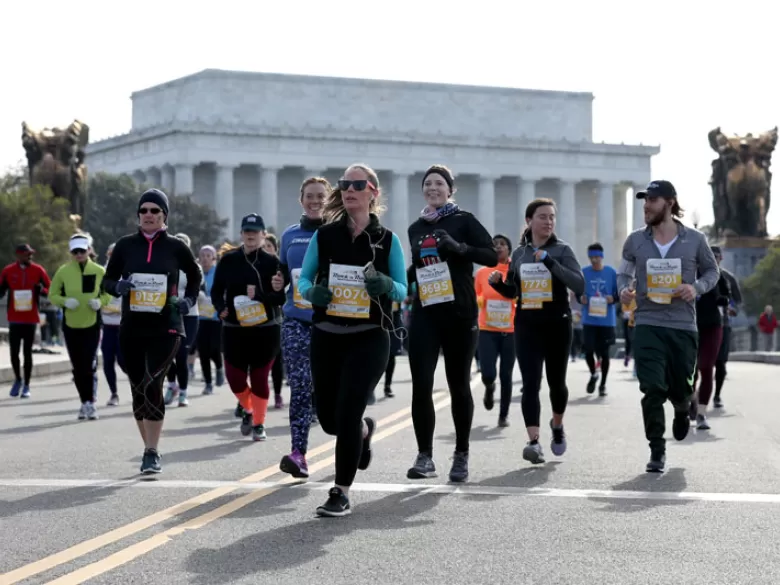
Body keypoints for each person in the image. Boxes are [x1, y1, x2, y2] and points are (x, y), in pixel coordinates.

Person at [297, 163, 407, 517]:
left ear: (373, 192)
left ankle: (340, 491)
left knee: (345, 414)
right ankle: (362, 430)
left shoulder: (387, 240)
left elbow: (404, 288)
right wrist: (312, 292)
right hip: (327, 333)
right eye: (345, 184)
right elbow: (301, 280)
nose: (349, 189)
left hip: (369, 336)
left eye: (358, 184)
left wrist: (388, 286)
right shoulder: (324, 236)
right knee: (329, 419)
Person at [617, 180, 719, 473]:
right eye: (644, 200)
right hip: (648, 322)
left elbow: (712, 271)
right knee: (651, 387)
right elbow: (624, 275)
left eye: (652, 199)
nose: (646, 205)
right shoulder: (635, 240)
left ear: (670, 203)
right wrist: (624, 291)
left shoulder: (695, 240)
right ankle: (657, 450)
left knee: (681, 387)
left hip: (683, 326)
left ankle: (681, 406)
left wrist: (696, 287)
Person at [406, 164, 497, 483]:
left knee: (458, 384)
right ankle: (425, 455)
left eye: (439, 184)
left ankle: (461, 454)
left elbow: (490, 255)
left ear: (450, 190)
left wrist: (460, 248)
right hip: (426, 312)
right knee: (421, 384)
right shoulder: (416, 227)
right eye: (427, 184)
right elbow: (418, 265)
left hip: (459, 313)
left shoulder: (464, 220)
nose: (432, 188)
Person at [104, 188, 202, 474]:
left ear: (164, 216)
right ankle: (147, 444)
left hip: (167, 326)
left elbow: (195, 275)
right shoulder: (125, 246)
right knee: (137, 389)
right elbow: (108, 279)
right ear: (138, 215)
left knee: (152, 384)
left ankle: (152, 451)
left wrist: (188, 300)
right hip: (132, 327)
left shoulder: (175, 247)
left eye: (154, 211)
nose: (148, 215)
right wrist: (117, 287)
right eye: (144, 210)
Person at [490, 198, 584, 464]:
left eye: (552, 217)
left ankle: (557, 425)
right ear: (529, 221)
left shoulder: (563, 250)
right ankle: (533, 441)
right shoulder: (519, 254)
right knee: (530, 383)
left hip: (557, 323)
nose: (549, 221)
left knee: (557, 384)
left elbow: (579, 285)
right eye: (543, 217)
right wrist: (498, 284)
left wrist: (551, 262)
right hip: (527, 324)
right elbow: (513, 291)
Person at [211, 213, 285, 442]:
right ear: (241, 234)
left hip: (266, 329)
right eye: (247, 232)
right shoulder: (228, 260)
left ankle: (259, 424)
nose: (251, 236)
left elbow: (280, 298)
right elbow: (216, 290)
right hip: (235, 327)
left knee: (261, 378)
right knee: (235, 379)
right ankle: (249, 408)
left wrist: (262, 296)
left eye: (255, 232)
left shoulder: (273, 263)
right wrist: (221, 307)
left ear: (264, 235)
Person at [275, 176, 329, 479]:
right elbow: (283, 272)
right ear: (301, 200)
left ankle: (358, 430)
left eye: (321, 196)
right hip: (296, 319)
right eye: (309, 196)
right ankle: (299, 452)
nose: (315, 201)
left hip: (331, 321)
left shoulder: (338, 233)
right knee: (299, 386)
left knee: (331, 392)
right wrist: (277, 282)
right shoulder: (289, 236)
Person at [49, 233, 112, 419]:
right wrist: (64, 301)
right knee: (77, 367)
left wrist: (100, 302)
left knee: (89, 364)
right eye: (75, 251)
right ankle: (84, 401)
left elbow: (108, 293)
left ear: (88, 250)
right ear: (71, 252)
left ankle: (90, 402)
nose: (79, 254)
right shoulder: (63, 271)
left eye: (82, 251)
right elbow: (53, 294)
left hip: (91, 324)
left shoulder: (99, 271)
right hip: (71, 325)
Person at [474, 234, 516, 426]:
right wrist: (479, 300)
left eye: (503, 244)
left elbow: (521, 293)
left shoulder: (515, 271)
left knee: (506, 375)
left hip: (510, 329)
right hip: (487, 328)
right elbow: (476, 294)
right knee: (488, 372)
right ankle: (489, 387)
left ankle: (503, 415)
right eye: (495, 245)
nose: (499, 247)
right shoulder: (483, 272)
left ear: (509, 249)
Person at [0, 243, 51, 398]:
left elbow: (51, 289)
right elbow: (1, 289)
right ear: (18, 255)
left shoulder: (38, 270)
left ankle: (27, 385)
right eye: (26, 254)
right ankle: (17, 380)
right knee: (14, 352)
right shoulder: (8, 271)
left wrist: (41, 290)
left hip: (31, 318)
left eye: (31, 254)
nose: (30, 256)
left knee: (27, 352)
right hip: (14, 318)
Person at [690, 264, 731, 430]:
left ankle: (701, 413)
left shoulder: (715, 273)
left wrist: (722, 299)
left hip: (712, 326)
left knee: (706, 367)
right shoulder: (683, 270)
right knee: (689, 372)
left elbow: (727, 295)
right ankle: (691, 399)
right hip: (688, 326)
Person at [164, 233, 200, 407]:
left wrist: (187, 300)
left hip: (190, 316)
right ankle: (172, 385)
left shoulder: (194, 268)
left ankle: (183, 392)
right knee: (167, 354)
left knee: (182, 354)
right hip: (168, 315)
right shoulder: (164, 265)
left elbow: (196, 289)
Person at [580, 242, 618, 397]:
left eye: (596, 257)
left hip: (606, 320)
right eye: (591, 257)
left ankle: (603, 383)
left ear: (601, 257)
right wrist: (580, 297)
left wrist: (613, 298)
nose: (594, 260)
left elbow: (619, 294)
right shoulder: (584, 272)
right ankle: (593, 374)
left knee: (605, 353)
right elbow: (577, 291)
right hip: (589, 319)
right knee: (588, 350)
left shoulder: (611, 273)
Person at [711, 246, 741, 408]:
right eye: (710, 256)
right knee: (696, 364)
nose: (713, 259)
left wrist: (733, 309)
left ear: (720, 258)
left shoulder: (728, 278)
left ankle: (717, 395)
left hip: (723, 324)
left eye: (716, 256)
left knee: (720, 362)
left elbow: (736, 300)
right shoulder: (697, 276)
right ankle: (692, 395)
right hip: (700, 325)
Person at [195, 245, 224, 395]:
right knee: (203, 351)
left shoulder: (218, 273)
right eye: (202, 255)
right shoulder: (196, 273)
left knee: (214, 348)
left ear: (213, 258)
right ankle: (208, 383)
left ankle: (219, 367)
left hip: (216, 317)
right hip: (200, 318)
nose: (205, 259)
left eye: (208, 255)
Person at [262, 233, 286, 409]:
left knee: (276, 360)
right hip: (255, 319)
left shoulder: (280, 268)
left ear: (275, 249)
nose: (265, 250)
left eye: (269, 246)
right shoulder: (254, 266)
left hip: (277, 318)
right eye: (263, 247)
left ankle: (277, 393)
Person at [101, 243, 125, 406]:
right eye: (111, 254)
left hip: (124, 327)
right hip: (107, 325)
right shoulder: (101, 273)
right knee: (108, 360)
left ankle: (139, 384)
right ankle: (114, 393)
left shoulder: (129, 272)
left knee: (124, 362)